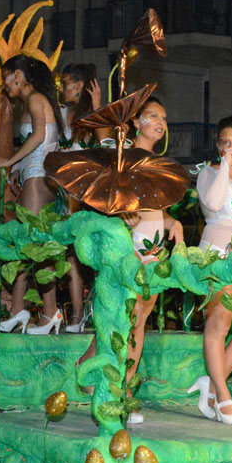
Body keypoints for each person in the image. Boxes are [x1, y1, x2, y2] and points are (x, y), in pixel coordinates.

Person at [75, 97, 185, 426]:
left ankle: (124, 390)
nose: (160, 122)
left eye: (163, 117)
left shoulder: (158, 163)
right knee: (125, 321)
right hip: (127, 248)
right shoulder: (123, 159)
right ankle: (104, 383)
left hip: (152, 250)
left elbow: (157, 213)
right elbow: (105, 203)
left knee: (138, 324)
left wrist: (173, 224)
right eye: (152, 116)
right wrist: (122, 214)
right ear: (136, 122)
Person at [187, 116, 232, 425]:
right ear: (218, 147)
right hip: (217, 253)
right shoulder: (208, 173)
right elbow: (214, 205)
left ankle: (211, 384)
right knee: (219, 325)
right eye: (226, 142)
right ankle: (223, 397)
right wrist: (225, 167)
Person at [0, 54, 65, 334]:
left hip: (38, 181)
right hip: (32, 178)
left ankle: (50, 313)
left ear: (18, 76)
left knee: (38, 248)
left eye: (6, 77)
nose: (4, 84)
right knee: (25, 246)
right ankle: (18, 310)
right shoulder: (31, 101)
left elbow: (37, 137)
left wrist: (10, 161)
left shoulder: (36, 99)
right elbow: (39, 144)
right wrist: (17, 169)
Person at [58, 63, 103, 332]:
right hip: (64, 196)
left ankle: (95, 310)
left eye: (66, 83)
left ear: (79, 85)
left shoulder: (94, 116)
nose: (62, 88)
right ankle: (75, 315)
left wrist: (97, 107)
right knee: (71, 255)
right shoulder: (62, 113)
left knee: (94, 254)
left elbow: (106, 145)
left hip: (88, 198)